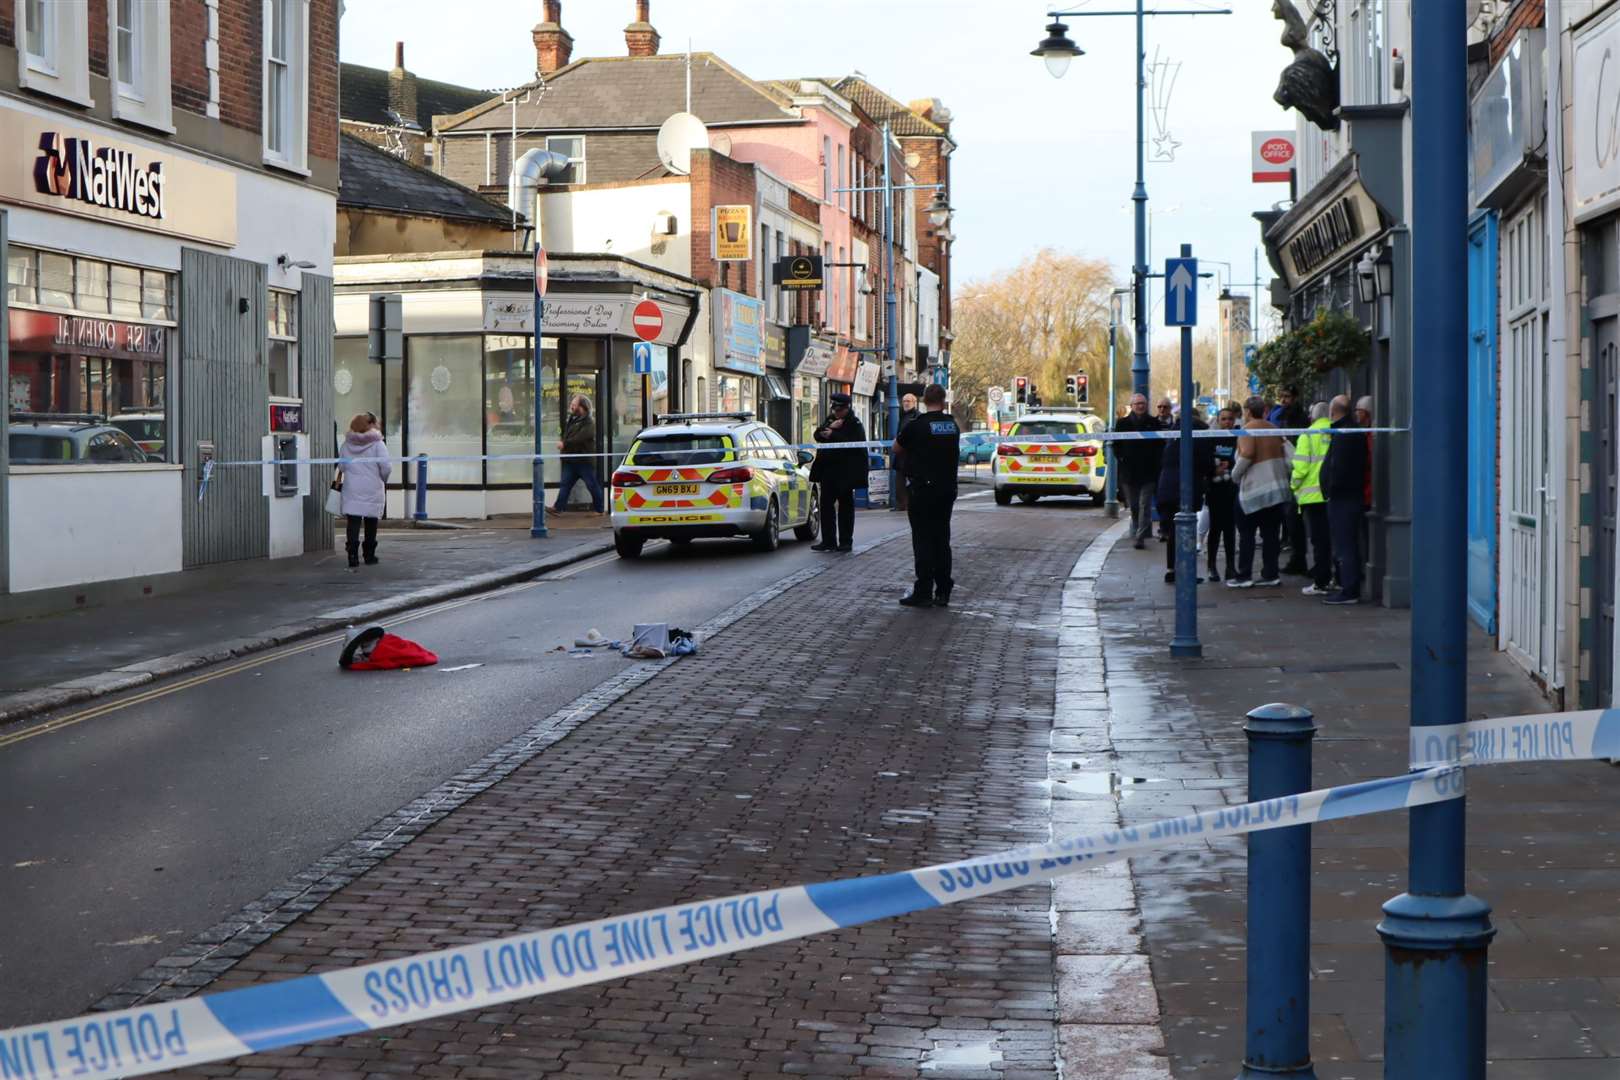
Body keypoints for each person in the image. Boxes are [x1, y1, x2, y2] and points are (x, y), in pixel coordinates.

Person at [895, 385, 960, 607]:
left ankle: (923, 591)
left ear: (924, 401)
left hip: (923, 490)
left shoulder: (917, 425)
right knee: (942, 539)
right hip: (946, 490)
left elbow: (896, 448)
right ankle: (943, 590)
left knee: (923, 540)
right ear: (943, 400)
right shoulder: (952, 425)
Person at [1227, 396, 1290, 588]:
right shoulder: (1275, 430)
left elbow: (1246, 455)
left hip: (1254, 491)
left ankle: (1244, 575)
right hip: (1276, 490)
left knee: (1246, 535)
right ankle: (1271, 574)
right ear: (1264, 410)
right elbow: (1290, 458)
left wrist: (1235, 476)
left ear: (1247, 411)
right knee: (1271, 535)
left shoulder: (1247, 430)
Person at [1156, 406, 1215, 583]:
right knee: (1187, 527)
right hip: (1186, 485)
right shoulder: (1200, 431)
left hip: (1166, 485)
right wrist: (1214, 471)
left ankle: (1172, 569)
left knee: (1174, 530)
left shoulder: (1172, 431)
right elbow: (1205, 461)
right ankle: (1187, 571)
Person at [1321, 394, 1367, 605]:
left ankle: (1349, 589)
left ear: (1333, 412)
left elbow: (1337, 467)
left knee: (1345, 545)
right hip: (1348, 495)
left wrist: (1331, 489)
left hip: (1343, 497)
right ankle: (1349, 586)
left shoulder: (1344, 432)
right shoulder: (1349, 430)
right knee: (1347, 544)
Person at [811, 392, 868, 553]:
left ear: (846, 408)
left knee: (845, 508)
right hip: (828, 471)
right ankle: (828, 541)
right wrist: (828, 428)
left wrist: (833, 434)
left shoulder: (854, 424)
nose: (836, 413)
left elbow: (854, 444)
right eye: (834, 410)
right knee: (826, 507)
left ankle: (845, 542)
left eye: (839, 410)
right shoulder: (831, 420)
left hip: (845, 473)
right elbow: (818, 435)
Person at [1291, 401, 1335, 596]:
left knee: (1319, 542)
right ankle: (1336, 578)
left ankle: (1321, 582)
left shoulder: (1308, 434)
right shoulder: (1336, 431)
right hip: (1333, 494)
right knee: (1335, 540)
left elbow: (1300, 467)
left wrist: (1293, 485)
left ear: (1312, 416)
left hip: (1312, 496)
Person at [340, 412, 391, 569]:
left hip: (352, 488)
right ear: (370, 424)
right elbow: (386, 467)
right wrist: (383, 479)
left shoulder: (346, 444)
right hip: (372, 487)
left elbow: (342, 466)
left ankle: (352, 555)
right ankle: (369, 555)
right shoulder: (378, 445)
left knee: (353, 522)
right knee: (371, 522)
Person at [1113, 393, 1164, 549]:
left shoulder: (1154, 423)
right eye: (1137, 404)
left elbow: (1159, 445)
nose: (1140, 406)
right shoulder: (1122, 423)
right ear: (1132, 406)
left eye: (1142, 403)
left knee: (1145, 504)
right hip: (1129, 472)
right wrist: (1122, 458)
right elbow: (1116, 445)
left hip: (1148, 472)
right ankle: (1136, 528)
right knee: (1134, 505)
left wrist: (1156, 463)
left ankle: (1140, 537)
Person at [1205, 406, 1240, 582]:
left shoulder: (1238, 437)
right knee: (1215, 529)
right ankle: (1211, 565)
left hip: (1232, 488)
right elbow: (1204, 460)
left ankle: (1230, 566)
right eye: (1224, 419)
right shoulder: (1211, 438)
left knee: (1230, 530)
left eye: (1230, 419)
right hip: (1215, 490)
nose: (1227, 422)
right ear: (1218, 421)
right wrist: (1214, 470)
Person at [554, 394, 603, 514]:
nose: (571, 406)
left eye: (574, 404)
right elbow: (567, 435)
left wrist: (564, 444)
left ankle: (600, 510)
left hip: (583, 461)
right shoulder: (572, 419)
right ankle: (558, 508)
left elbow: (580, 438)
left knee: (592, 485)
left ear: (581, 407)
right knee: (565, 484)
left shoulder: (589, 422)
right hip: (570, 461)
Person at [895, 393, 921, 510]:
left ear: (914, 402)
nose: (905, 403)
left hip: (911, 456)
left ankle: (911, 505)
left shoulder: (917, 416)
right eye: (904, 401)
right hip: (901, 455)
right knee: (899, 483)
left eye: (908, 401)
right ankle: (902, 505)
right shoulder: (902, 415)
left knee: (912, 482)